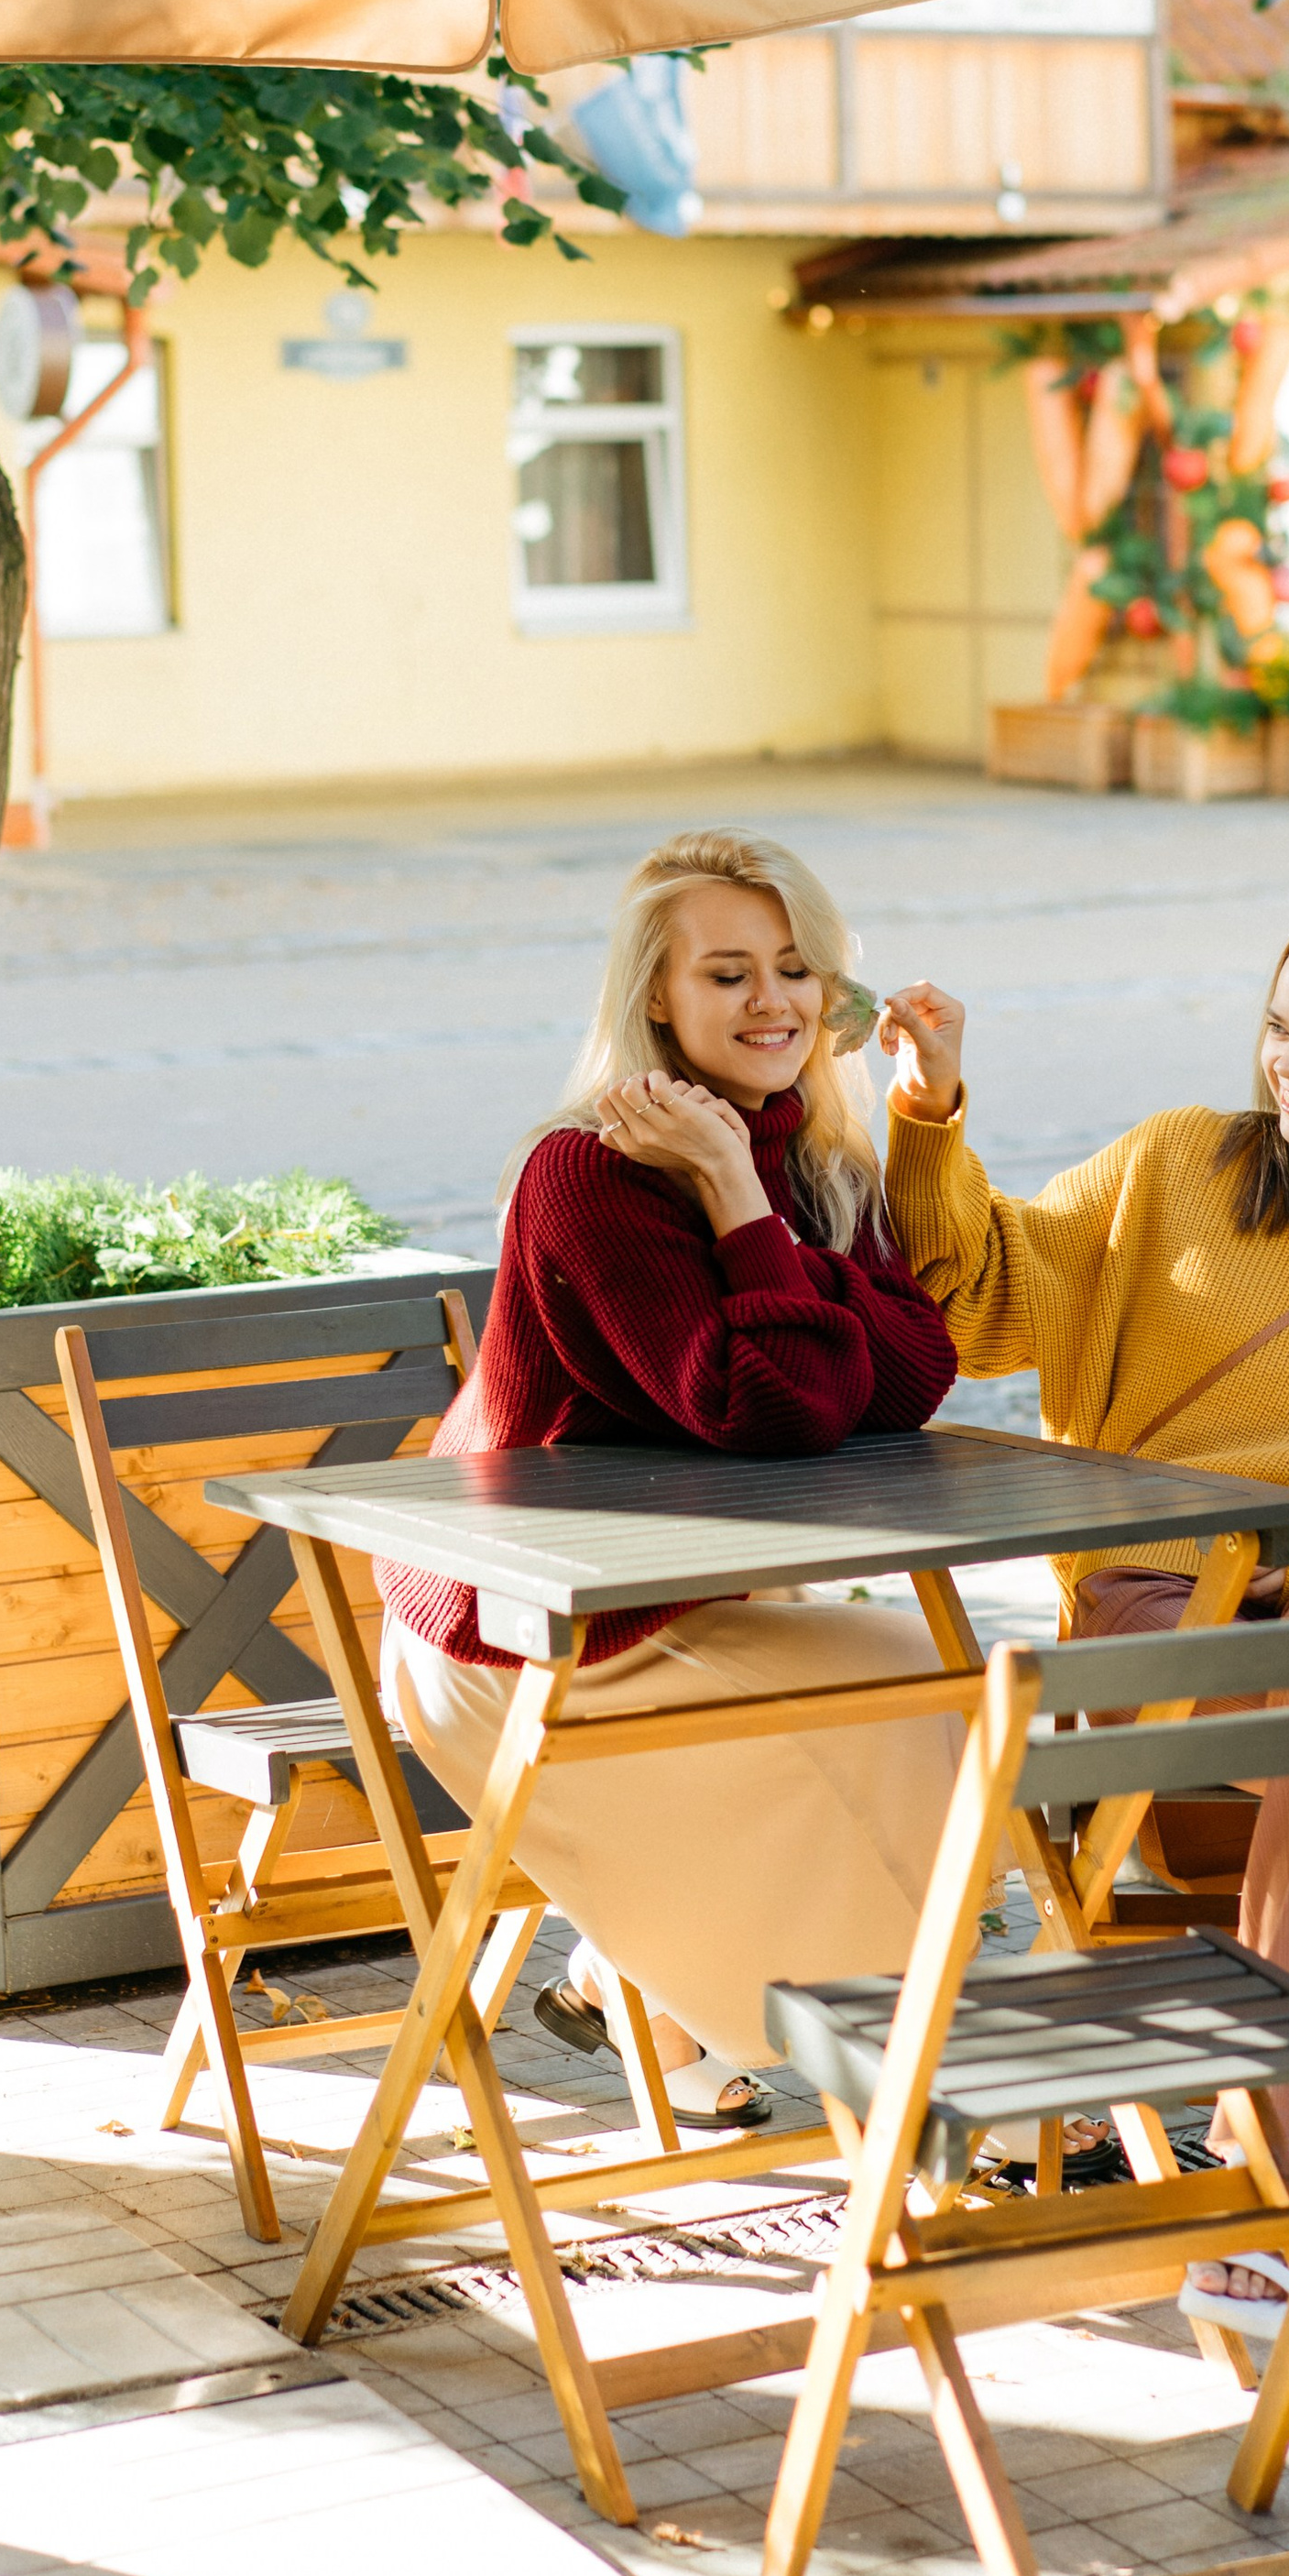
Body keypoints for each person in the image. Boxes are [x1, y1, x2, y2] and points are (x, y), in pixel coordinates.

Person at [879, 894, 1289, 2407]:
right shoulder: (1179, 1167)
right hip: (1153, 1622)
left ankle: (1287, 2181)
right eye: (1278, 1026)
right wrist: (928, 1117)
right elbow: (981, 1294)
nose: (1288, 1066)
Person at [377, 827, 961, 2129]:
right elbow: (779, 1406)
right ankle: (925, 2078)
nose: (775, 1003)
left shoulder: (802, 1148)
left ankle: (647, 1989)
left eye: (799, 971)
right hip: (527, 1634)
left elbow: (917, 1366)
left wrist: (755, 1196)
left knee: (929, 1697)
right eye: (730, 973)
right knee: (909, 1702)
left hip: (677, 1600)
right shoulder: (588, 1174)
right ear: (655, 994)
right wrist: (740, 1203)